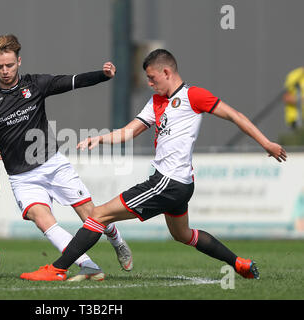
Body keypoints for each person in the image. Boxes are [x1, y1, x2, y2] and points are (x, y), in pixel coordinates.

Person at [19, 48, 288, 281]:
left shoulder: (194, 96)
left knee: (98, 215)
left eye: (152, 77)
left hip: (167, 183)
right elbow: (129, 131)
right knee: (183, 235)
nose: (149, 83)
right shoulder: (156, 101)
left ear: (167, 72)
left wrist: (266, 143)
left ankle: (57, 269)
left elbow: (234, 115)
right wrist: (99, 139)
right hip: (180, 186)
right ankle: (238, 263)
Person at [0, 34, 133, 281]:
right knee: (41, 220)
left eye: (9, 65)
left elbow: (72, 81)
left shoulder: (36, 84)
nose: (5, 71)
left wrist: (102, 75)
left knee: (91, 215)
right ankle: (88, 265)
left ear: (19, 61)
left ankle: (116, 240)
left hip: (53, 165)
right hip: (22, 177)